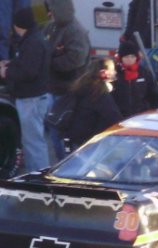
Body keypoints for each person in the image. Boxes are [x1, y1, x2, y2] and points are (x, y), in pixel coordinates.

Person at [0, 7, 50, 172]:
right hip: (32, 97)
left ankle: (40, 179)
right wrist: (11, 64)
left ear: (18, 25)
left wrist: (6, 72)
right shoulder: (33, 39)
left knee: (34, 143)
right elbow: (26, 64)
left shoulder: (32, 43)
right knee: (32, 142)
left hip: (31, 98)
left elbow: (28, 71)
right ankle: (36, 176)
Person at [43, 0, 91, 161]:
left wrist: (50, 62)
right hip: (53, 88)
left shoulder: (75, 31)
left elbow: (76, 59)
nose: (49, 13)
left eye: (52, 10)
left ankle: (69, 166)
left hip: (68, 90)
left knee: (63, 133)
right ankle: (61, 163)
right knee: (53, 131)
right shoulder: (52, 27)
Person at [64, 58, 123, 150]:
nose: (115, 72)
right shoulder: (100, 92)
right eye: (112, 70)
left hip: (74, 135)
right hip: (89, 139)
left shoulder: (81, 85)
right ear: (105, 72)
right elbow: (114, 117)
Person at [112, 39, 158, 118]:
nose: (130, 59)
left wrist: (155, 114)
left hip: (141, 116)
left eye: (132, 56)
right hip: (120, 118)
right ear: (121, 58)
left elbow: (154, 95)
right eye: (126, 56)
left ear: (137, 57)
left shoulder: (144, 73)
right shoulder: (114, 73)